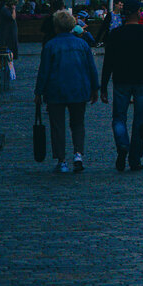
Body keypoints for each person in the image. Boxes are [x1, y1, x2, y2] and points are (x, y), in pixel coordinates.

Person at [34, 10, 99, 173]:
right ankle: (78, 154)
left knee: (57, 126)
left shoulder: (50, 45)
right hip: (79, 88)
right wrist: (95, 87)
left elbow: (44, 71)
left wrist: (38, 91)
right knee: (78, 123)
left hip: (56, 90)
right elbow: (91, 67)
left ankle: (61, 160)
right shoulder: (82, 44)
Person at [99, 0, 143, 172]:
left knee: (119, 117)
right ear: (138, 13)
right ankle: (135, 159)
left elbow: (108, 62)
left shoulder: (116, 34)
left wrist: (103, 86)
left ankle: (122, 145)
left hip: (121, 80)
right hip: (142, 81)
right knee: (139, 120)